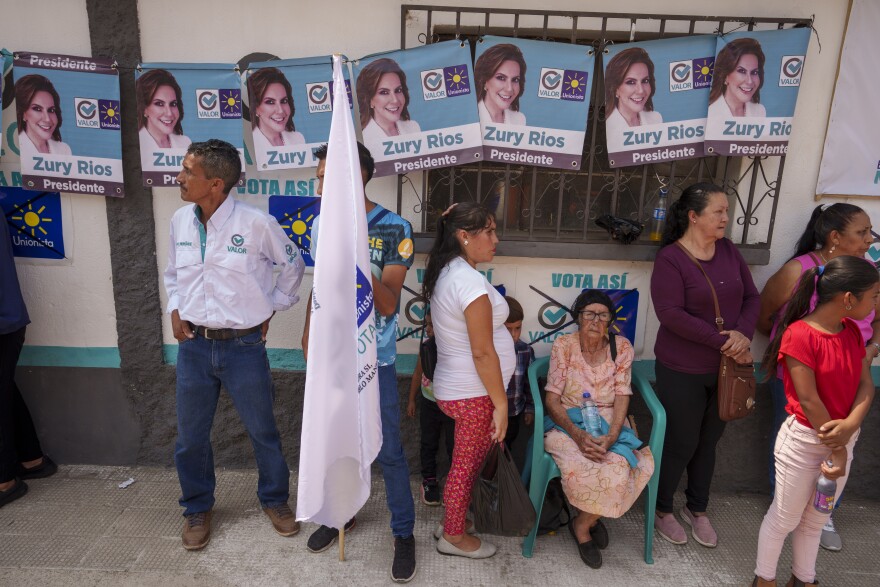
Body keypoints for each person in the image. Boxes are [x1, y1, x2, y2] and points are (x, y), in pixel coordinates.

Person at [163, 139, 305, 551]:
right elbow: (174, 273)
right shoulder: (179, 221)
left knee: (263, 431)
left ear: (216, 183)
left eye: (189, 171)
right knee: (190, 437)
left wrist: (272, 307)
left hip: (243, 347)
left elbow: (293, 264)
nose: (180, 177)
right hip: (193, 347)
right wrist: (175, 307)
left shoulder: (254, 223)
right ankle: (196, 507)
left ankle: (276, 500)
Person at [301, 142, 417, 583]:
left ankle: (402, 532)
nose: (319, 183)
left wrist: (355, 259)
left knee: (388, 451)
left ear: (356, 177)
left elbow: (387, 304)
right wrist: (309, 333)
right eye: (318, 175)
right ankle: (340, 516)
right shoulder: (319, 225)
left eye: (326, 175)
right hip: (332, 358)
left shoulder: (394, 228)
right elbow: (321, 290)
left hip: (375, 360)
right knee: (337, 441)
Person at [751, 256, 878, 587]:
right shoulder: (799, 335)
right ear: (848, 298)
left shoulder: (851, 332)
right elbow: (809, 400)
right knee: (785, 518)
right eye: (874, 296)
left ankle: (804, 578)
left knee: (816, 520)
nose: (877, 304)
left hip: (841, 444)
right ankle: (764, 579)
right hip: (804, 445)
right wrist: (836, 448)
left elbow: (866, 384)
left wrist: (850, 427)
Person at [650, 182, 760, 548]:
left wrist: (742, 335)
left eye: (726, 211)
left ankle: (697, 508)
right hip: (682, 369)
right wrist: (725, 341)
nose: (726, 218)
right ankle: (662, 509)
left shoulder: (728, 250)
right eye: (718, 212)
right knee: (681, 442)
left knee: (709, 441)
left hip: (727, 369)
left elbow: (750, 296)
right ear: (694, 217)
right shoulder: (671, 259)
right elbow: (670, 314)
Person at [421, 202, 514, 560]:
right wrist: (501, 404)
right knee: (466, 464)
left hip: (463, 388)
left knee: (467, 461)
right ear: (464, 236)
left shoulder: (451, 271)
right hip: (474, 393)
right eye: (488, 231)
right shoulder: (467, 281)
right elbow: (482, 352)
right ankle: (453, 536)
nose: (496, 238)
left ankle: (453, 521)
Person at [542, 289, 654, 569]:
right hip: (567, 422)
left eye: (602, 315)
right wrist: (578, 436)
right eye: (588, 314)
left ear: (610, 321)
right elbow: (552, 400)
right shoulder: (563, 345)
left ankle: (583, 521)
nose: (595, 320)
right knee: (584, 461)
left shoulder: (622, 347)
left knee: (620, 464)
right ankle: (587, 525)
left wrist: (613, 435)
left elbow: (623, 395)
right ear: (578, 318)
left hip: (609, 420)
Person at [0, 217, 59, 509]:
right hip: (7, 320)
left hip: (4, 322)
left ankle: (4, 482)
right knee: (3, 389)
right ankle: (31, 459)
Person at [406, 309, 454, 506]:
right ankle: (429, 481)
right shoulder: (425, 347)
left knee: (453, 446)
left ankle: (453, 483)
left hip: (452, 405)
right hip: (429, 402)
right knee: (428, 443)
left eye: (432, 325)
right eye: (426, 324)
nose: (428, 329)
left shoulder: (455, 348)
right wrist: (411, 399)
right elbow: (418, 374)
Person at [357, 58, 421, 144]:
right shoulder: (364, 141)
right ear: (370, 100)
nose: (395, 100)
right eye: (384, 92)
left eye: (398, 90)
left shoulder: (413, 128)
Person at [603, 47, 663, 136]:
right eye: (630, 82)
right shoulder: (605, 128)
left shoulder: (656, 119)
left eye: (645, 81)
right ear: (615, 89)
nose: (641, 90)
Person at [502, 296, 534, 450]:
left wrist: (529, 409)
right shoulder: (487, 352)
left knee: (506, 448)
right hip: (488, 415)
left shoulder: (525, 351)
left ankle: (501, 474)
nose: (513, 334)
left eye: (517, 328)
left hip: (513, 413)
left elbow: (529, 384)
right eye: (508, 329)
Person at [247, 67, 306, 151]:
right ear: (255, 108)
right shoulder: (249, 147)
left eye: (284, 101)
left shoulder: (298, 139)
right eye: (270, 102)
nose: (280, 110)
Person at [708, 38, 767, 118]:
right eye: (741, 71)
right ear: (725, 76)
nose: (749, 81)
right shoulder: (709, 113)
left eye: (754, 72)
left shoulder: (759, 111)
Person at [15, 74, 72, 156]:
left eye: (51, 110)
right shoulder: (10, 147)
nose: (47, 119)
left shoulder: (64, 150)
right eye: (37, 109)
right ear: (23, 114)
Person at [136, 69, 192, 151]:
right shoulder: (136, 145)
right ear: (144, 109)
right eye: (159, 104)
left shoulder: (185, 143)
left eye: (173, 104)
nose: (169, 113)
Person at [474, 44, 527, 126]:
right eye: (501, 78)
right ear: (484, 81)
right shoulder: (470, 118)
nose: (509, 89)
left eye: (515, 80)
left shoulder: (519, 120)